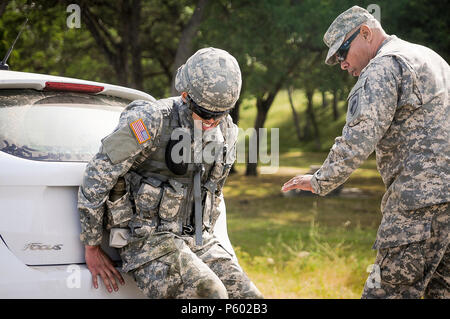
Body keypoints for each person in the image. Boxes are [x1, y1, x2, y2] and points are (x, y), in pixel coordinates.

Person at [282, 6, 449, 299]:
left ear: (366, 33)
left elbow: (359, 135)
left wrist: (321, 180)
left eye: (343, 53)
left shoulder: (384, 66)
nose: (342, 64)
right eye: (337, 60)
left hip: (418, 207)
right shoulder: (432, 59)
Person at [78, 47, 263, 299]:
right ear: (185, 95)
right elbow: (97, 176)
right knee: (210, 295)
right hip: (148, 242)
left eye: (220, 114)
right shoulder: (151, 120)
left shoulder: (227, 132)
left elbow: (212, 194)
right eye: (207, 114)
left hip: (198, 241)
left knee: (251, 299)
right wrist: (91, 246)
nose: (212, 122)